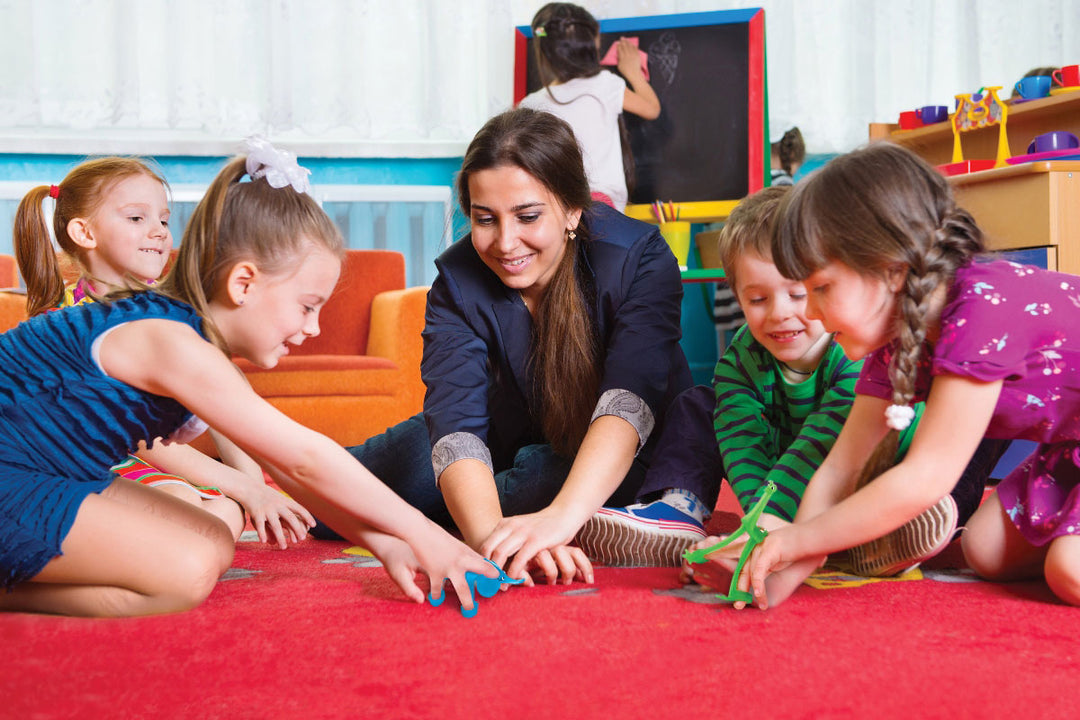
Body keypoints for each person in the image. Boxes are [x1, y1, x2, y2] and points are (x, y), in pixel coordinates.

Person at [0, 140, 495, 617]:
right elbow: (304, 459)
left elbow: (283, 469)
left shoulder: (189, 335)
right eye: (306, 306)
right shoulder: (170, 340)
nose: (314, 328)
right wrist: (426, 536)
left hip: (49, 472)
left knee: (213, 538)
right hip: (12, 476)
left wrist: (384, 543)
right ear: (243, 283)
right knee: (187, 572)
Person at [316, 107, 691, 585]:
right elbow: (456, 422)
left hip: (615, 452)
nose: (506, 243)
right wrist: (491, 541)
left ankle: (525, 509)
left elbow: (630, 399)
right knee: (333, 505)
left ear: (573, 209)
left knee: (537, 483)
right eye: (485, 219)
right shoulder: (456, 279)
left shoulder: (640, 257)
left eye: (528, 216)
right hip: (502, 431)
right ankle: (236, 474)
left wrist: (558, 519)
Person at [577, 185, 1005, 572]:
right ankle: (678, 509)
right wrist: (757, 524)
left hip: (869, 466)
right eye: (758, 299)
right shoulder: (740, 360)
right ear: (738, 296)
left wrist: (769, 529)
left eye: (798, 294)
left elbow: (823, 443)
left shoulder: (854, 350)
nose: (780, 313)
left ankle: (899, 524)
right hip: (787, 471)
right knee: (698, 403)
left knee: (963, 436)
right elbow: (742, 446)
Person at [740, 141, 1080, 609]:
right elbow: (842, 465)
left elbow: (927, 477)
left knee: (1070, 570)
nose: (812, 312)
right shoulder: (899, 337)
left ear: (891, 269)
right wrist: (783, 572)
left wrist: (798, 540)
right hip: (1070, 449)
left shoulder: (984, 308)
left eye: (821, 288)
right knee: (984, 550)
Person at [12, 157, 266, 541]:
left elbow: (221, 395)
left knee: (223, 514)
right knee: (184, 503)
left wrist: (250, 490)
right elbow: (149, 444)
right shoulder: (78, 323)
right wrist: (248, 487)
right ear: (84, 232)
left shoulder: (167, 316)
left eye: (163, 220)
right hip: (73, 466)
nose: (160, 232)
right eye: (137, 219)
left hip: (128, 463)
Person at [518, 2, 660, 211]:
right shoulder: (604, 84)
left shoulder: (529, 104)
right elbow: (652, 108)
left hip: (555, 207)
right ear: (593, 43)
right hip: (602, 206)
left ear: (543, 51)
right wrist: (633, 72)